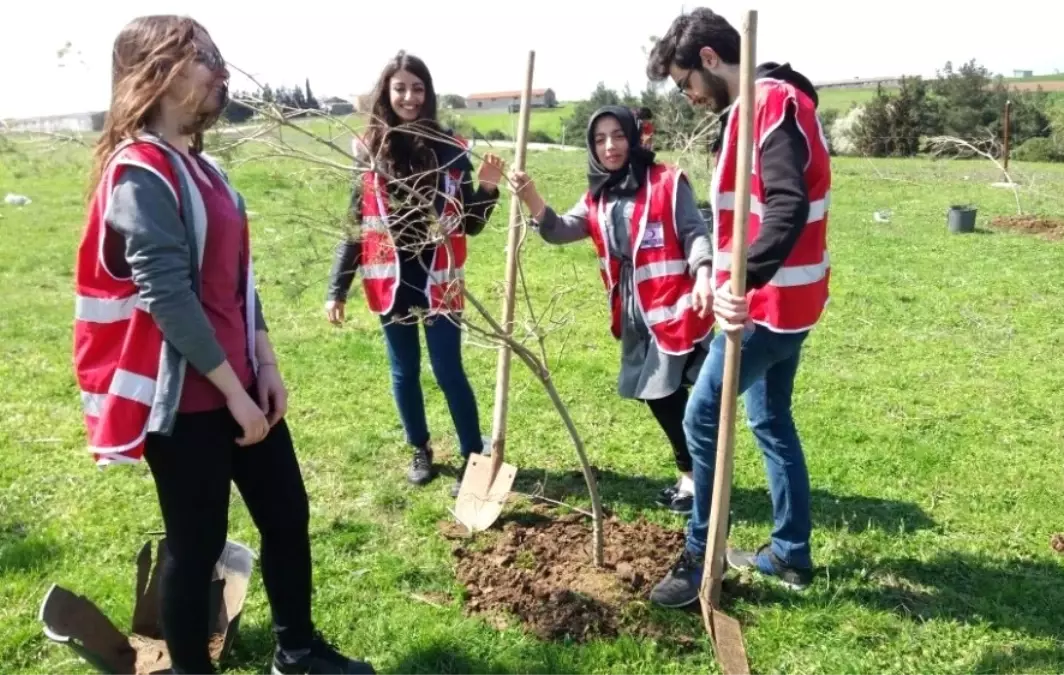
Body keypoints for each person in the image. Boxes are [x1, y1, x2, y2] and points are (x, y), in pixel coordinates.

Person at [71, 15, 374, 675]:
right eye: (201, 57)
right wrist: (235, 395)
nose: (220, 69)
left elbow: (238, 283)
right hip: (187, 404)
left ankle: (295, 648)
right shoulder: (140, 172)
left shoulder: (202, 169)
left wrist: (263, 366)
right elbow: (168, 297)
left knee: (287, 514)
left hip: (241, 386)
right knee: (197, 540)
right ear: (157, 72)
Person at [640, 7, 833, 608]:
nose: (689, 97)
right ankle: (790, 554)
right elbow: (743, 214)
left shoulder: (770, 105)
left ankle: (700, 556)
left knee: (701, 418)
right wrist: (718, 273)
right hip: (784, 301)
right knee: (771, 420)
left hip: (767, 309)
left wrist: (742, 279)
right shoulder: (750, 110)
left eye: (685, 84)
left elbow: (786, 206)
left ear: (707, 60)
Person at [510, 105, 715, 513]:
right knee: (665, 396)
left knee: (664, 394)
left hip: (677, 308)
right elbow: (563, 229)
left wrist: (705, 273)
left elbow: (694, 231)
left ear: (634, 136)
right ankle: (699, 471)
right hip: (636, 316)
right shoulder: (598, 195)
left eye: (618, 135)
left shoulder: (668, 183)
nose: (610, 146)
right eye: (600, 138)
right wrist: (532, 199)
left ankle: (695, 478)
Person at [325, 52, 505, 496]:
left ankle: (472, 454)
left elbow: (470, 225)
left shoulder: (450, 150)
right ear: (387, 92)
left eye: (417, 88)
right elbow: (356, 223)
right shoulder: (370, 151)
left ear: (429, 94)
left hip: (438, 278)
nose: (409, 96)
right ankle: (420, 448)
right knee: (404, 371)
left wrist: (486, 188)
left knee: (448, 369)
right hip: (391, 280)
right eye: (400, 88)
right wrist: (337, 288)